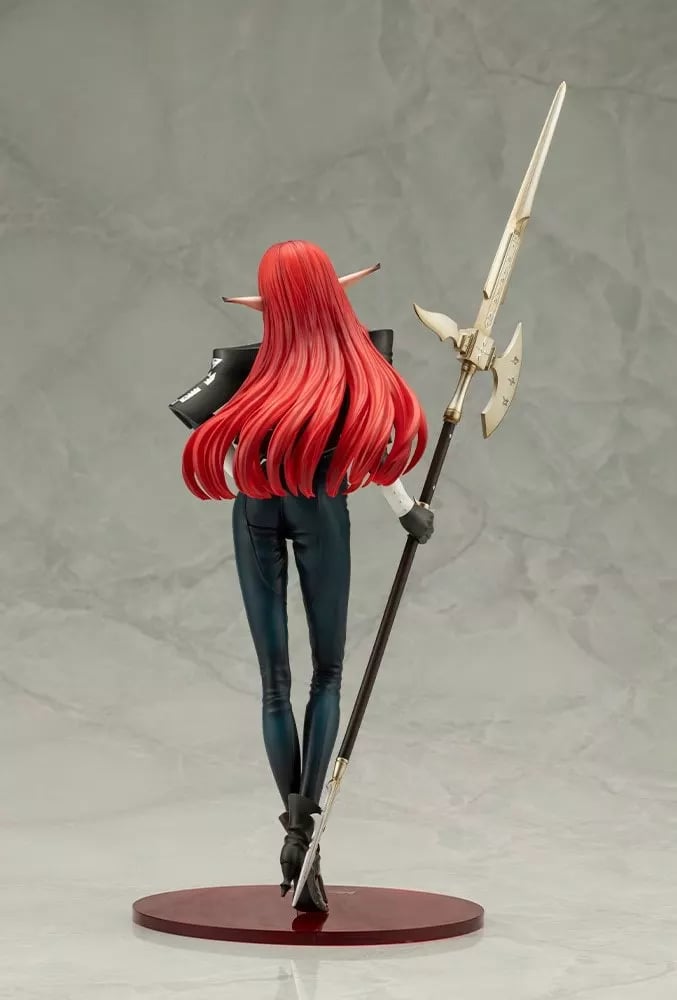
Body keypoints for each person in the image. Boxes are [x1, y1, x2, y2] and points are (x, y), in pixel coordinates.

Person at [170, 240, 433, 911]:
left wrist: (260, 441)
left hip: (255, 508)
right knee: (327, 674)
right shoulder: (354, 364)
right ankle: (304, 831)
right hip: (320, 509)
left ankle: (294, 831)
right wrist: (409, 513)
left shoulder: (245, 368)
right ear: (328, 293)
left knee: (275, 684)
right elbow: (377, 447)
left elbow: (208, 437)